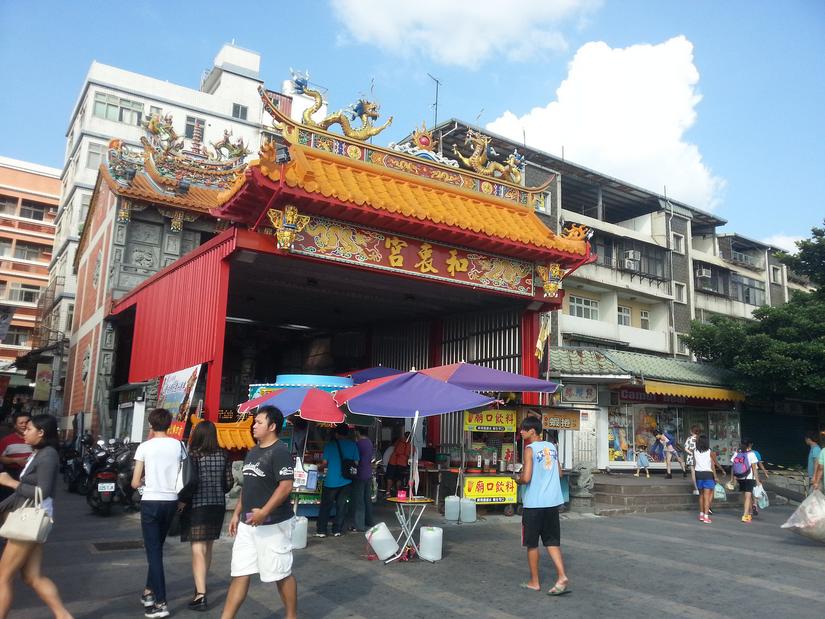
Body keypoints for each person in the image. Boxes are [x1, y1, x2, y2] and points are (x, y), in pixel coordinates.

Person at [221, 406, 296, 619]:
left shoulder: (280, 452)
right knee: (240, 572)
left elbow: (285, 487)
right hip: (247, 524)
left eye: (259, 422)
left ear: (272, 426)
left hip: (274, 525)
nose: (254, 425)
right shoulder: (252, 452)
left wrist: (264, 511)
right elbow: (248, 486)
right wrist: (237, 512)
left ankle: (291, 616)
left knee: (280, 573)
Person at [0, 414, 73, 619]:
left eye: (29, 429)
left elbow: (44, 491)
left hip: (29, 520)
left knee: (3, 577)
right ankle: (63, 616)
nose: (25, 432)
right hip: (31, 520)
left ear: (41, 433)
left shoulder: (48, 455)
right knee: (32, 577)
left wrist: (10, 482)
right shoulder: (40, 453)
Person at [131, 408, 186, 618]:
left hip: (151, 502)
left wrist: (144, 485)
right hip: (171, 502)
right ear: (170, 424)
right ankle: (148, 592)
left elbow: (135, 482)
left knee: (154, 552)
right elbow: (184, 472)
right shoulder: (179, 445)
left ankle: (160, 602)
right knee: (156, 549)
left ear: (151, 425)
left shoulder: (145, 447)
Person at [179, 421, 233, 612]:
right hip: (217, 506)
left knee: (197, 549)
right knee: (208, 546)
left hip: (198, 506)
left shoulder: (192, 455)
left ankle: (201, 595)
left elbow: (188, 482)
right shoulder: (224, 454)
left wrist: (182, 500)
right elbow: (228, 484)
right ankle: (200, 583)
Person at [514, 416, 569, 596]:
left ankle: (534, 582)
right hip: (552, 503)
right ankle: (561, 576)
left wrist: (516, 479)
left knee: (532, 544)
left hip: (534, 504)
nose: (521, 432)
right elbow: (559, 473)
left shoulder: (529, 449)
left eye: (523, 429)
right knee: (552, 542)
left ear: (532, 431)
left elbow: (527, 477)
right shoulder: (552, 446)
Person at [316, 424, 358, 538]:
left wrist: (316, 467)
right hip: (347, 481)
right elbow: (356, 463)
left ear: (336, 434)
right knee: (341, 506)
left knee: (326, 506)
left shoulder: (330, 445)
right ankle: (337, 530)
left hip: (331, 481)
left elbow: (324, 464)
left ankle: (321, 531)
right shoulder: (353, 445)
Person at [0, 413, 33, 501]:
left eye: (26, 422)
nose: (24, 425)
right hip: (12, 474)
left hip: (31, 476)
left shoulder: (35, 440)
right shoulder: (6, 440)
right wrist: (15, 460)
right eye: (21, 423)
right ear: (15, 425)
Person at [350, 426, 375, 532]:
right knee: (367, 499)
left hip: (360, 473)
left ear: (357, 432)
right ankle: (369, 521)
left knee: (359, 500)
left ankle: (359, 525)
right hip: (368, 473)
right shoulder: (369, 442)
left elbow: (355, 459)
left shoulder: (358, 444)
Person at [728, 439, 759, 524]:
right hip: (749, 477)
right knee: (748, 497)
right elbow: (754, 469)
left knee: (745, 497)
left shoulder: (736, 453)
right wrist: (757, 480)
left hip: (740, 477)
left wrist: (732, 479)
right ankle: (745, 515)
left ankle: (749, 515)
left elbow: (733, 467)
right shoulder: (751, 454)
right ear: (749, 445)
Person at [693, 434, 720, 524]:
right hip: (707, 474)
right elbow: (715, 463)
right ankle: (706, 516)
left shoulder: (695, 451)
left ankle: (701, 514)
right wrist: (722, 470)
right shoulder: (710, 452)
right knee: (707, 496)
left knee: (701, 495)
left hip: (698, 474)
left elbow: (695, 463)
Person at [385, 432, 412, 496]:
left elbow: (394, 447)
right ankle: (398, 494)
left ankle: (388, 493)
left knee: (390, 477)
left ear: (404, 435)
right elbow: (411, 455)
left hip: (393, 460)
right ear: (410, 437)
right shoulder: (411, 445)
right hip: (402, 463)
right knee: (399, 479)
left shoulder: (399, 441)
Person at [683, 426, 701, 495]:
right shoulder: (700, 438)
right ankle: (701, 488)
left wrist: (691, 453)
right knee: (699, 472)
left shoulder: (689, 438)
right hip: (700, 457)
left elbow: (685, 448)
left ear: (691, 431)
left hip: (691, 458)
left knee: (693, 474)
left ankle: (696, 489)